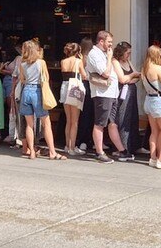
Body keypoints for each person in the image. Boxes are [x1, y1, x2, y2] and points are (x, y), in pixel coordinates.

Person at [15, 40, 63, 160]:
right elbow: (46, 77)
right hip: (37, 91)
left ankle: (31, 151)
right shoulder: (41, 62)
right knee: (46, 123)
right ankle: (52, 152)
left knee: (29, 125)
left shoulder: (22, 64)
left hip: (26, 91)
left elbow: (22, 79)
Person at [85, 30, 126, 163]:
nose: (110, 45)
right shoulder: (94, 54)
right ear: (101, 41)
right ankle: (99, 152)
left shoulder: (103, 53)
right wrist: (109, 58)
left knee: (111, 122)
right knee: (100, 123)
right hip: (102, 93)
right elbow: (105, 73)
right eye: (109, 42)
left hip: (111, 93)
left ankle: (121, 150)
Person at [113, 42, 141, 159]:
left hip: (131, 90)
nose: (129, 55)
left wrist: (129, 79)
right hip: (123, 93)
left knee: (133, 117)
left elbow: (137, 77)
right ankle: (124, 147)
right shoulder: (115, 62)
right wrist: (132, 75)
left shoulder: (128, 62)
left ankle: (134, 145)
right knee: (124, 117)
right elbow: (122, 79)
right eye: (127, 53)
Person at [59, 42, 88, 157]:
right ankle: (72, 147)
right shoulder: (78, 61)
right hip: (74, 88)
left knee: (68, 120)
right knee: (75, 122)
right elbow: (84, 75)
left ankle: (67, 145)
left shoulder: (63, 61)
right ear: (78, 52)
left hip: (65, 87)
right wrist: (82, 61)